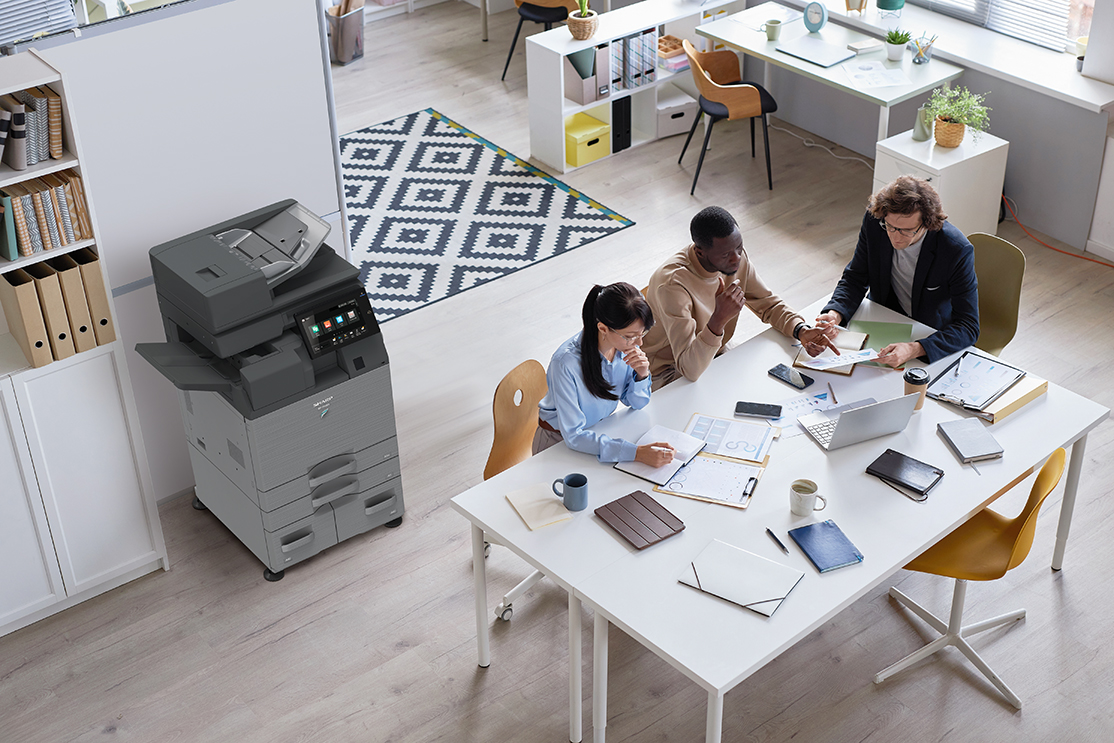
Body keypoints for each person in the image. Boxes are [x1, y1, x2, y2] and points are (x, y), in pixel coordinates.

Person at [642, 206, 837, 389]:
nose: (737, 258)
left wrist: (800, 330)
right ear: (700, 252)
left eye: (739, 247)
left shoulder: (734, 258)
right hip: (668, 372)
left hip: (714, 353)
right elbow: (689, 368)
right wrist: (719, 318)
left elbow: (768, 304)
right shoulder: (672, 285)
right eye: (726, 254)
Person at [817, 176, 979, 367]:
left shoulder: (955, 250)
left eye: (907, 230)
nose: (895, 237)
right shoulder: (875, 222)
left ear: (927, 223)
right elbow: (856, 276)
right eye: (891, 227)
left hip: (927, 333)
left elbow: (968, 326)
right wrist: (835, 313)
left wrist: (915, 348)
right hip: (881, 318)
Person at [533, 282, 676, 466]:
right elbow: (574, 436)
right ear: (603, 328)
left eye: (642, 333)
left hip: (597, 433)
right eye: (631, 336)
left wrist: (641, 375)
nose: (639, 343)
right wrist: (637, 453)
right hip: (557, 443)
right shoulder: (565, 363)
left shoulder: (622, 347)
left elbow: (637, 403)